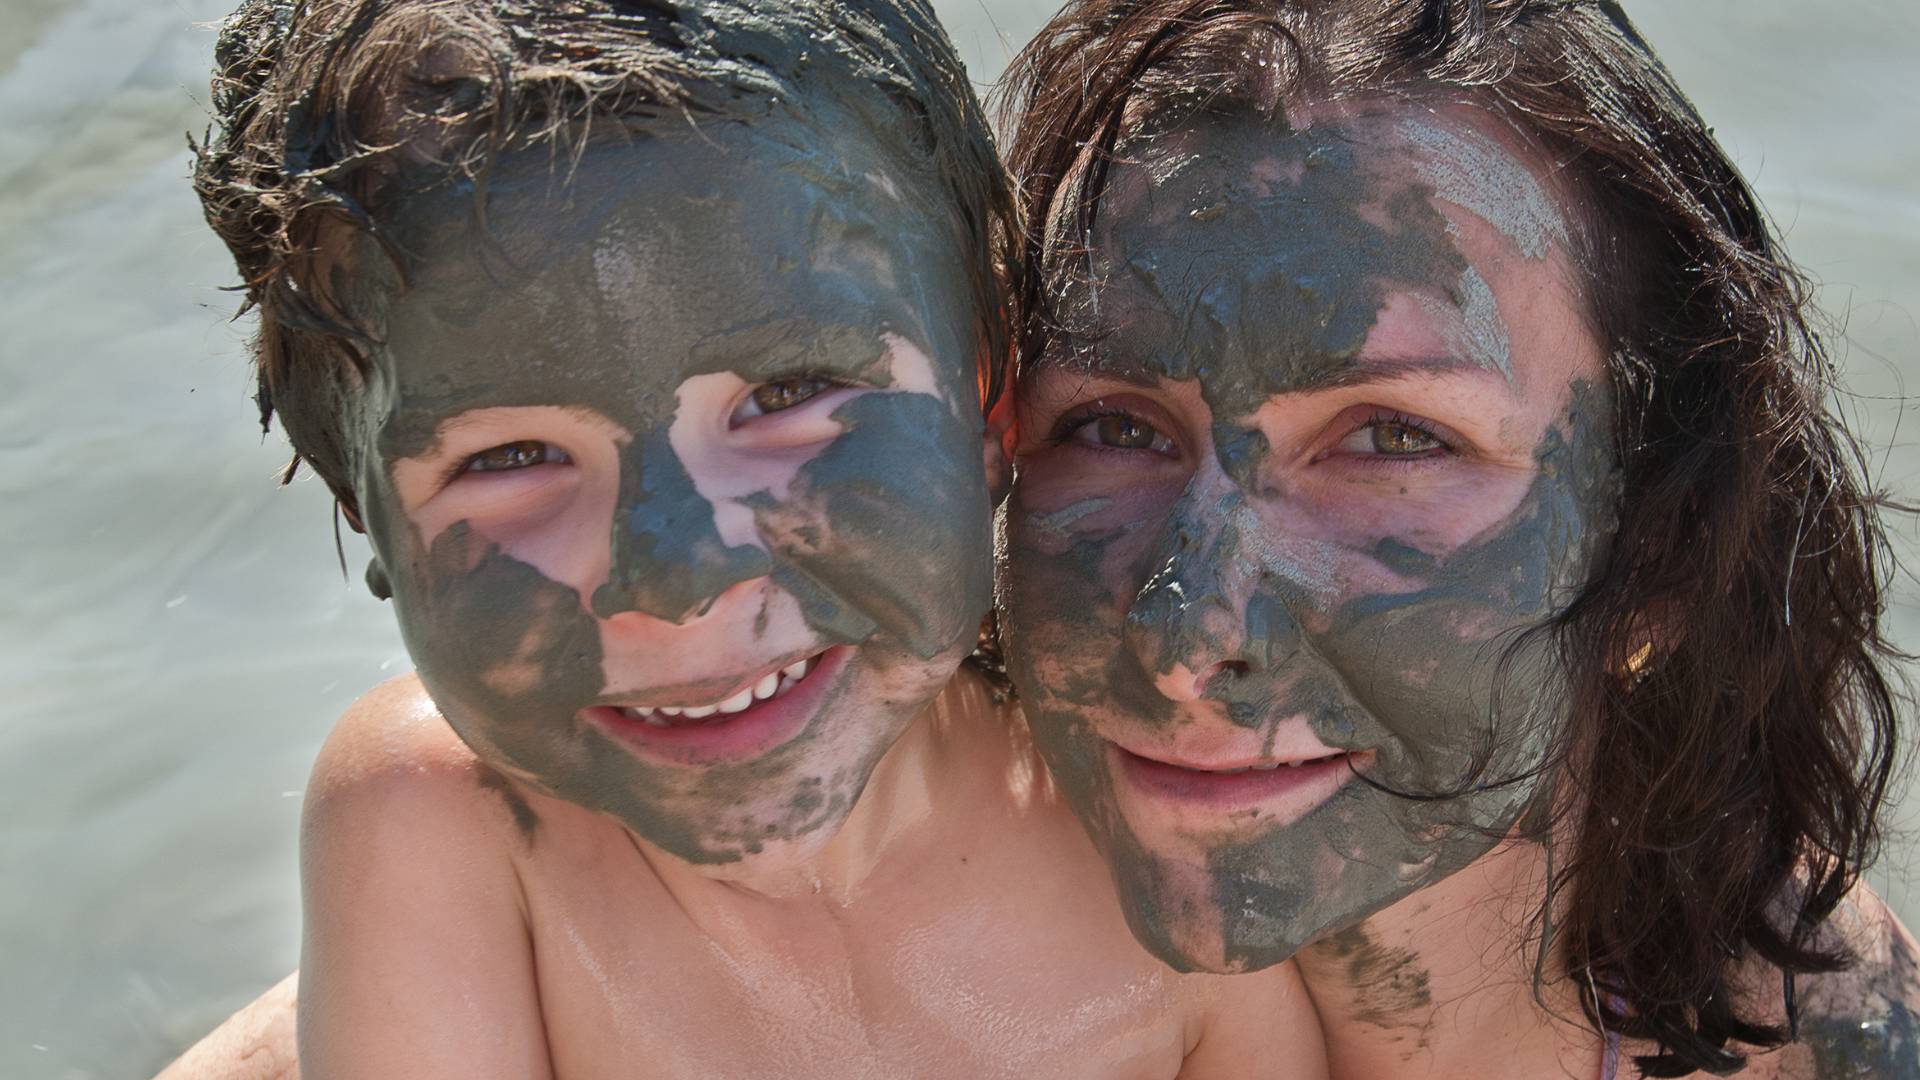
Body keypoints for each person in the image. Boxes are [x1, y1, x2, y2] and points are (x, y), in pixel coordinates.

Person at [162, 0, 1321, 1076]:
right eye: (510, 458)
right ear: (359, 504)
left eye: (789, 395)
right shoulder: (445, 830)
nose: (680, 575)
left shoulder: (1178, 799)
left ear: (990, 389)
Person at [993, 0, 1917, 1076]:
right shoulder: (877, 934)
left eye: (1394, 438)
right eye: (1113, 427)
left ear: (1667, 552)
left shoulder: (1833, 1038)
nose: (1187, 638)